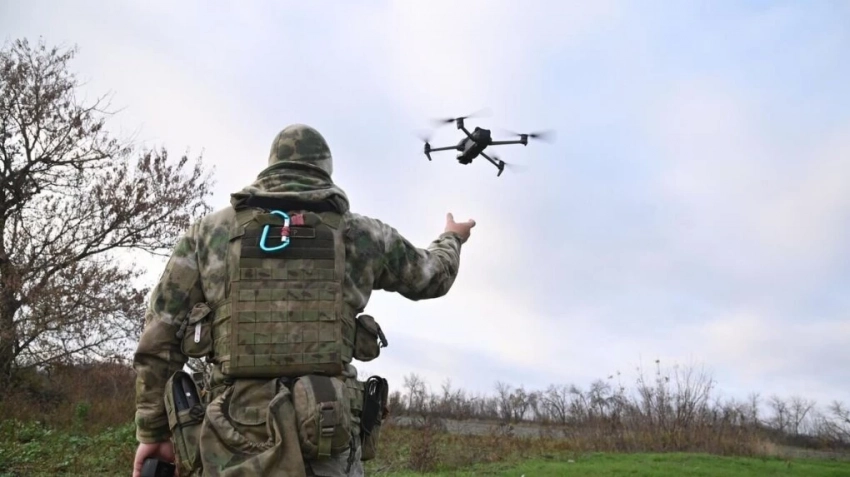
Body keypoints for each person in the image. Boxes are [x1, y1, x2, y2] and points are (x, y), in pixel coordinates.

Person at [132, 124, 475, 477]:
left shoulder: (209, 233)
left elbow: (159, 340)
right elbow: (432, 277)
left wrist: (154, 433)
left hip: (229, 444)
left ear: (271, 167)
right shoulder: (363, 234)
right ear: (324, 170)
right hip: (328, 443)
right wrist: (452, 238)